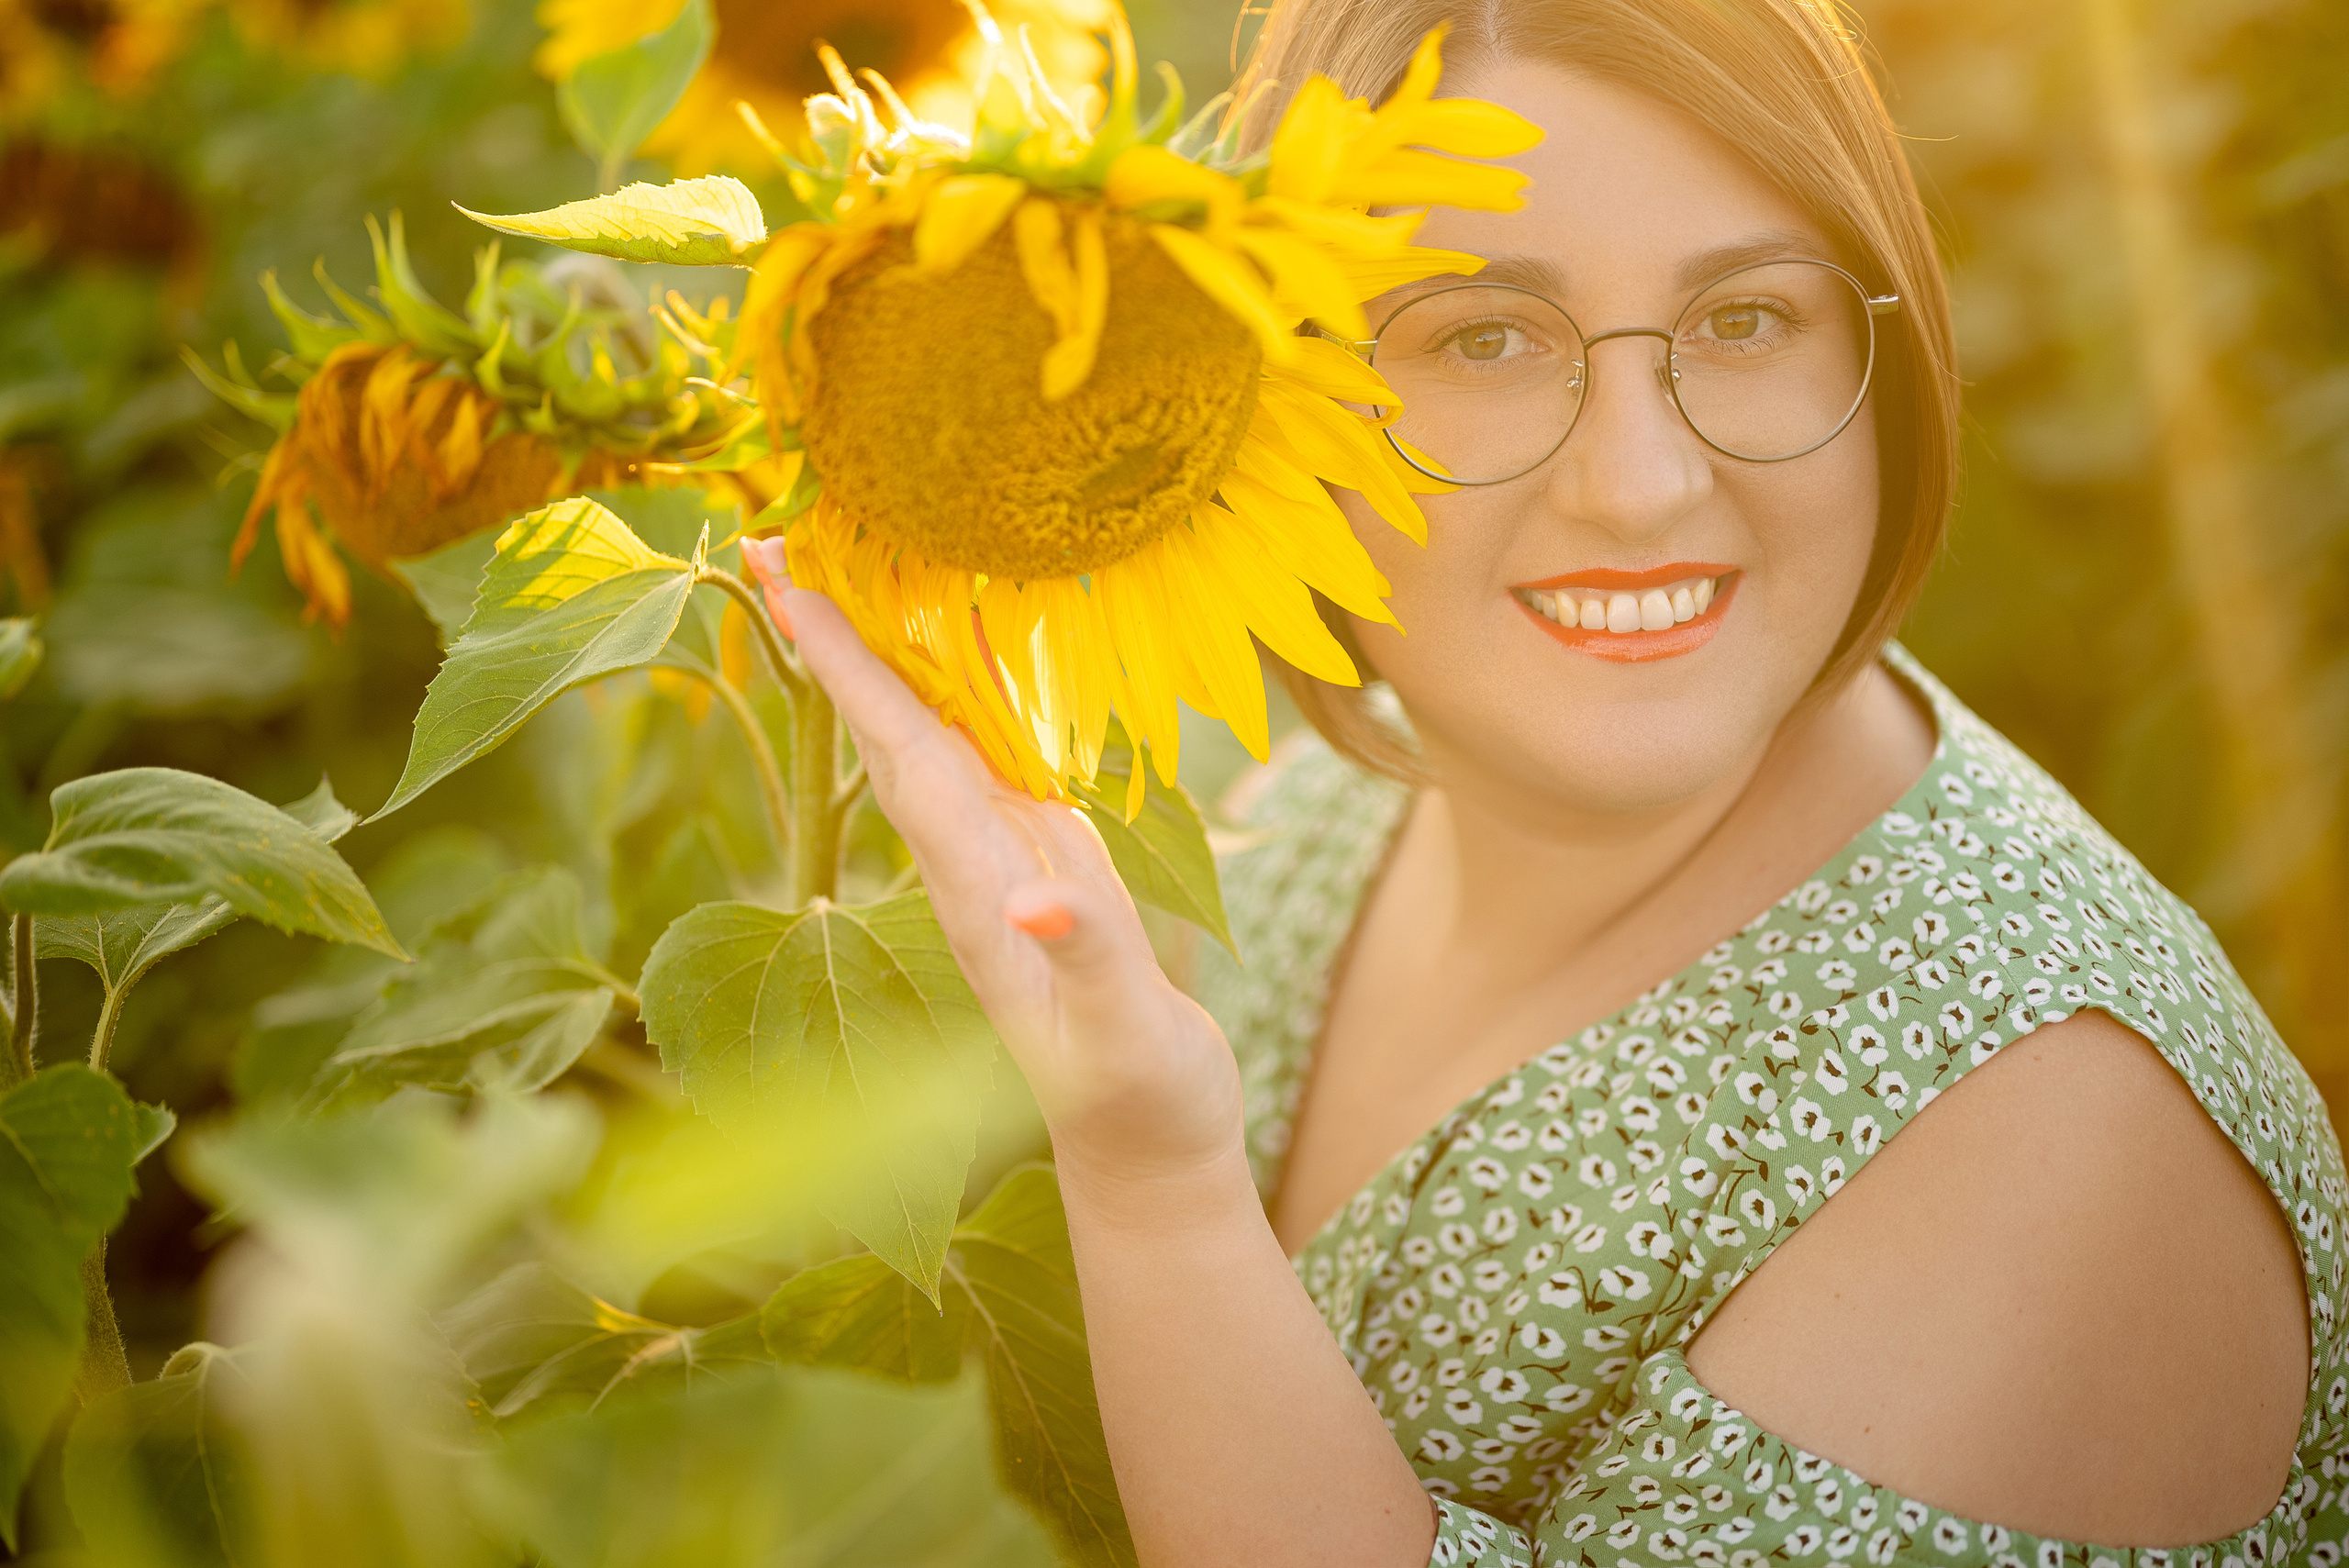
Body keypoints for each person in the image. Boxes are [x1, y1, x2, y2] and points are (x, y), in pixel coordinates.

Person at [747, 0, 2343, 1560]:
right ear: (1261, 400)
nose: (1642, 484)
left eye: (1746, 318)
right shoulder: (1312, 816)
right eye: (1486, 338)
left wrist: (1156, 1182)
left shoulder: (2058, 1134)